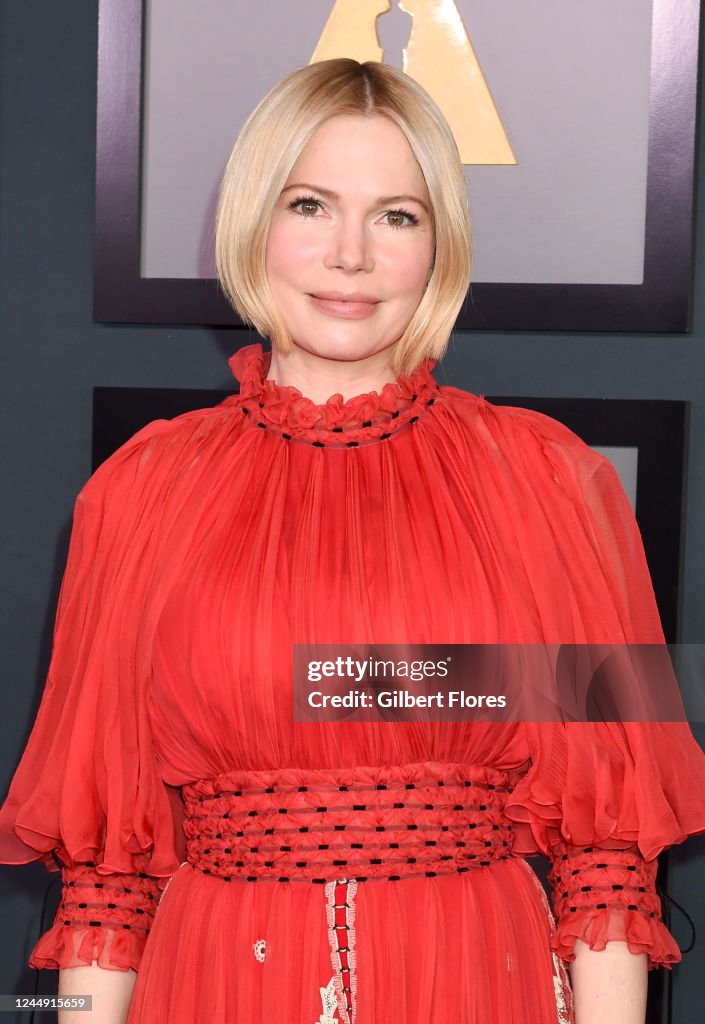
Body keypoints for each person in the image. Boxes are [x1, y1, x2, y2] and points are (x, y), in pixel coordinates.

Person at [1, 57, 705, 1024]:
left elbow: (611, 857)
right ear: (253, 223)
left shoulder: (551, 480)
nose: (350, 255)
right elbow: (105, 877)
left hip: (474, 978)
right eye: (309, 205)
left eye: (396, 215)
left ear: (438, 245)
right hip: (219, 983)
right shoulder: (139, 493)